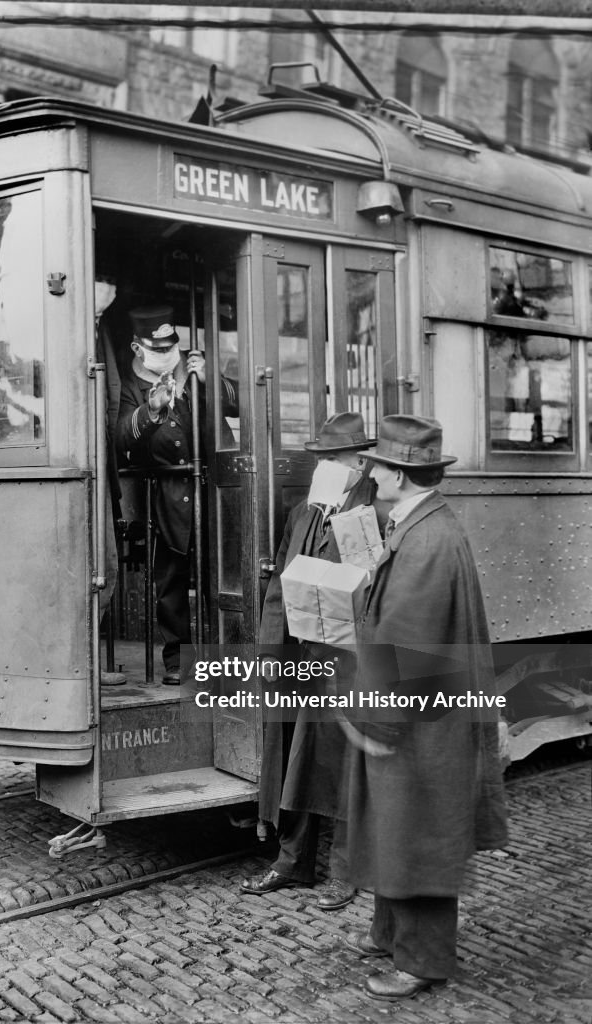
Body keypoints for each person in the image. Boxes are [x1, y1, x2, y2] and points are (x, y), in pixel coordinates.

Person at [343, 414, 508, 1001]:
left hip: (416, 720)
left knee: (419, 832)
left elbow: (407, 643)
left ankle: (421, 961)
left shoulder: (425, 538)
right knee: (402, 826)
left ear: (402, 475)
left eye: (377, 464)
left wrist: (377, 721)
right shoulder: (423, 525)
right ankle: (391, 933)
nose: (369, 471)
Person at [241, 412, 384, 908]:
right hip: (297, 654)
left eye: (332, 457)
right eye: (320, 456)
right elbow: (280, 583)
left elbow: (380, 590)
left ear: (360, 461)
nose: (322, 464)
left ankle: (348, 869)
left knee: (344, 760)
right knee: (294, 758)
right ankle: (291, 861)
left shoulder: (375, 513)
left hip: (347, 657)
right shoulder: (303, 511)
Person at [116, 304, 237, 684]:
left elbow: (237, 405)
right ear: (139, 349)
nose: (167, 355)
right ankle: (177, 661)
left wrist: (210, 382)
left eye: (171, 348)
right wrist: (151, 411)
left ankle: (228, 658)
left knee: (219, 578)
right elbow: (121, 438)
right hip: (168, 493)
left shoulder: (195, 367)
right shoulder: (133, 385)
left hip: (214, 489)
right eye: (158, 349)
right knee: (170, 582)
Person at [95, 268, 126, 686]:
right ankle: (86, 664)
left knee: (107, 565)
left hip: (100, 459)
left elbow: (112, 396)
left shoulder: (97, 329)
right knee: (102, 566)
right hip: (89, 458)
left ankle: (89, 663)